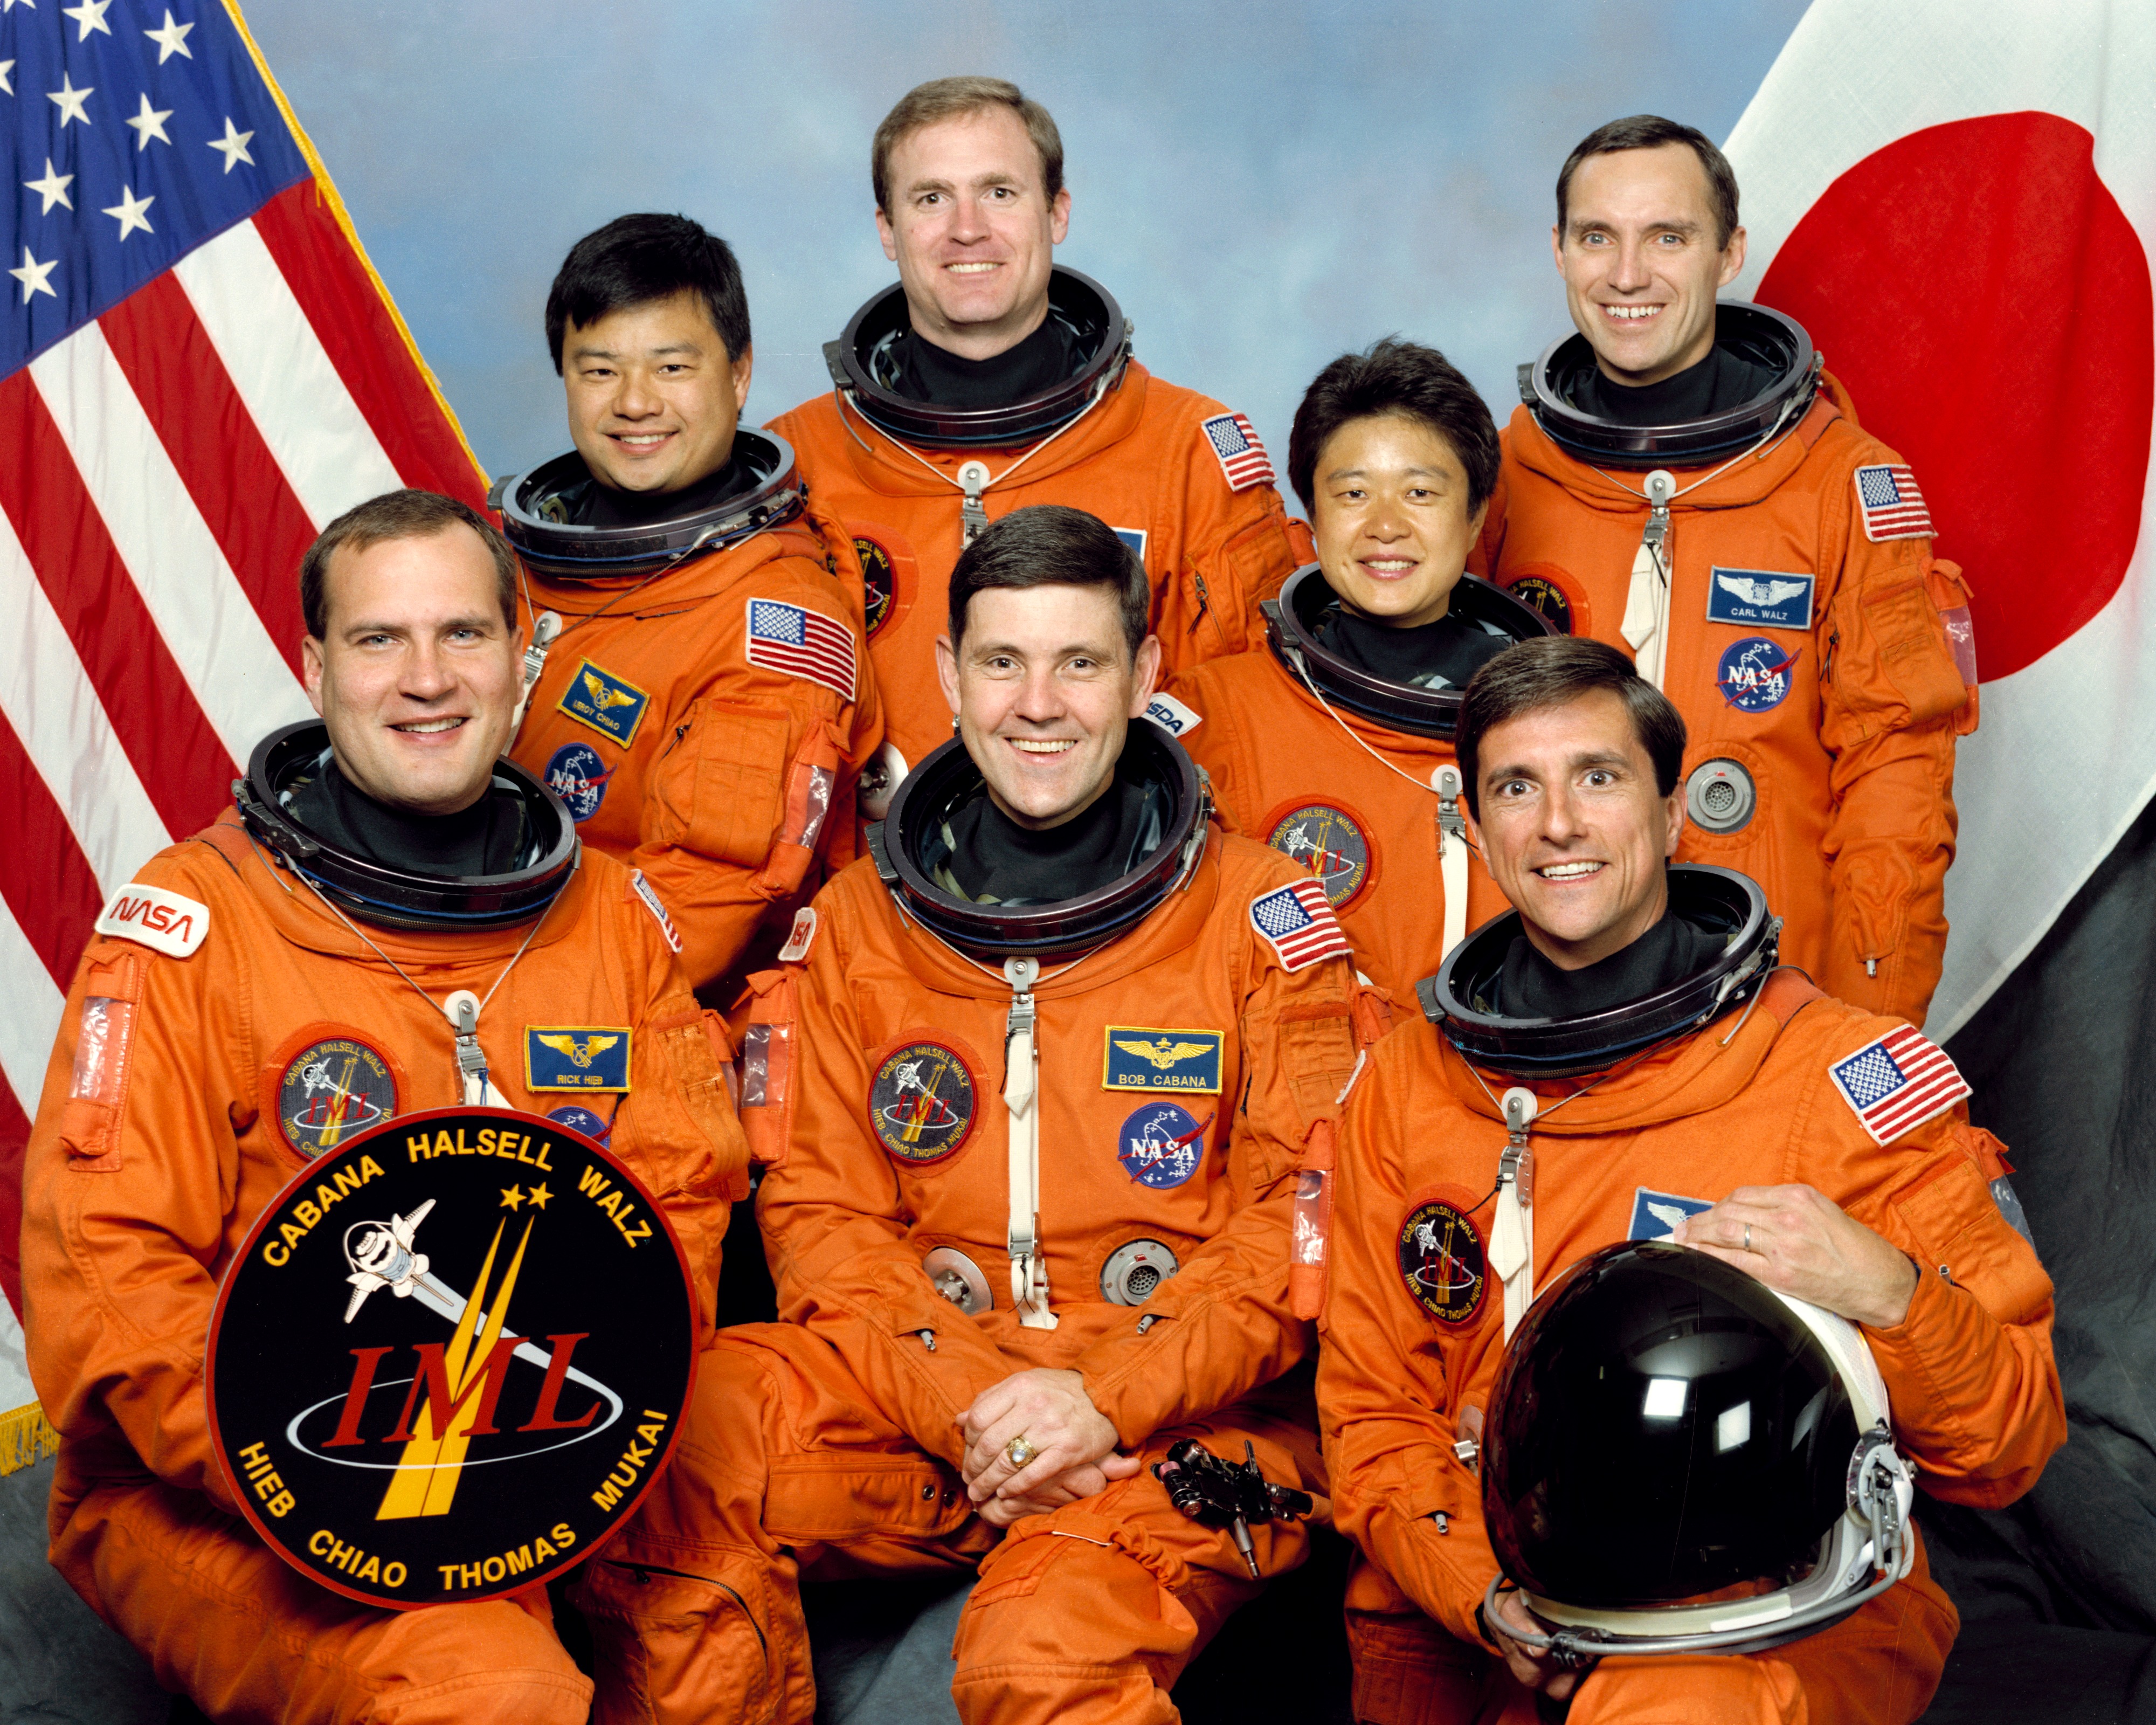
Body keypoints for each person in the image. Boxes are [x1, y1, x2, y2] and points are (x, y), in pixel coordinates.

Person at [577, 505, 1362, 1723]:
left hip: (1177, 1431)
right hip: (926, 1409)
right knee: (668, 1455)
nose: (1035, 703)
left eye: (1079, 663)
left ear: (1146, 677)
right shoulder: (847, 929)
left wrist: (1096, 1402)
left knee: (1034, 1653)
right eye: (1001, 662)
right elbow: (820, 1224)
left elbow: (1291, 1233)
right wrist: (980, 1414)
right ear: (948, 677)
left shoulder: (1266, 923)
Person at [18, 491, 747, 1725]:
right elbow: (108, 1276)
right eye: (378, 641)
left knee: (710, 1632)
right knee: (485, 1687)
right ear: (314, 667)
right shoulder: (199, 927)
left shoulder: (609, 919)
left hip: (548, 1425)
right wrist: (366, 1454)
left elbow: (680, 1192)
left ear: (522, 656)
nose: (427, 679)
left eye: (463, 635)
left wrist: (547, 1418)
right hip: (248, 1472)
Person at [1317, 637, 2062, 1725]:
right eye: (1516, 787)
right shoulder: (1402, 1080)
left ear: (1672, 814)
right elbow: (1372, 1410)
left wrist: (1892, 1290)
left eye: (1598, 777)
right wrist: (1483, 1594)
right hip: (1476, 1610)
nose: (1558, 823)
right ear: (1473, 830)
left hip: (1744, 1633)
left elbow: (2010, 1441)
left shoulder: (1839, 1077)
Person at [1473, 115, 1976, 1025]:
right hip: (1542, 1002)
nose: (1628, 276)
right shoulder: (1500, 478)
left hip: (1772, 1000)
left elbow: (1897, 781)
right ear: (1558, 251)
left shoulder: (1843, 483)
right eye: (1598, 237)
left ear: (1730, 252)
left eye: (1668, 236)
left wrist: (1866, 1025)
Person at [770, 76, 1305, 785]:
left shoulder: (1189, 450)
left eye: (999, 192)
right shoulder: (794, 467)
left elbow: (1252, 714)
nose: (968, 228)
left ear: (1056, 213)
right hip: (865, 879)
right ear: (886, 230)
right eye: (931, 198)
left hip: (1121, 876)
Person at [499, 213, 882, 1002]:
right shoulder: (496, 566)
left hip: (648, 1039)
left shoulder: (776, 621)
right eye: (599, 371)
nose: (635, 404)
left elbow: (703, 901)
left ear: (738, 376)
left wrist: (471, 994)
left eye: (672, 367)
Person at [1165, 339, 1551, 1004]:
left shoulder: (1562, 722)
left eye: (1420, 492)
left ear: (1474, 517)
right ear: (1312, 518)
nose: (1384, 526)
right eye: (1352, 493)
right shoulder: (1212, 718)